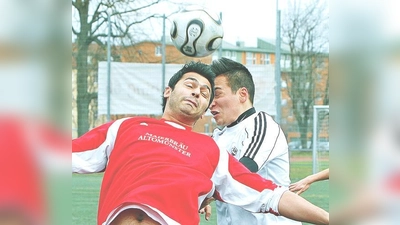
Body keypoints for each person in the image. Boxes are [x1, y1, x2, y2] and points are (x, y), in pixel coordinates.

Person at [72, 61, 329, 225]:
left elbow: (270, 194)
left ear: (205, 107)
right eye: (190, 85)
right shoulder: (125, 127)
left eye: (207, 93)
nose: (198, 92)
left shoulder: (211, 150)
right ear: (168, 91)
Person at [206, 57, 301, 225]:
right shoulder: (217, 138)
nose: (211, 103)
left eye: (217, 94)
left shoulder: (261, 124)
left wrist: (205, 191)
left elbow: (241, 173)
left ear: (243, 94)